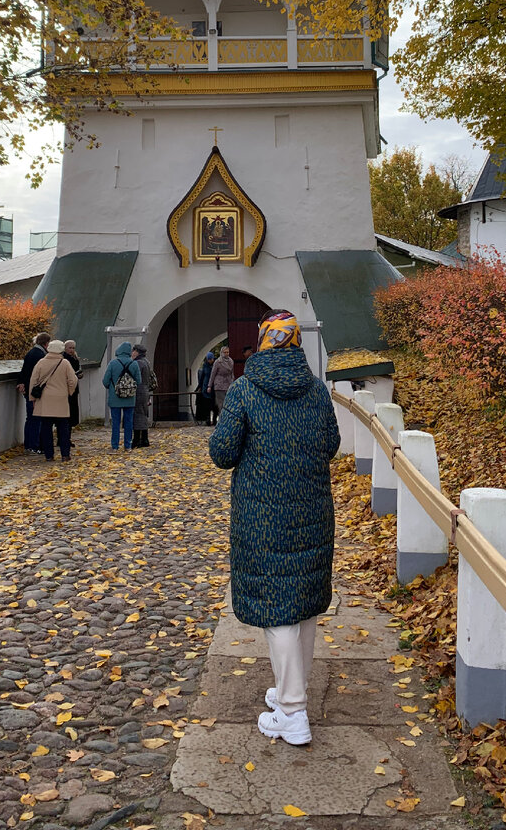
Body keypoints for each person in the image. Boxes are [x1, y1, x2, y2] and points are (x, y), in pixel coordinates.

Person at [208, 310, 340, 747]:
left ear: (264, 342)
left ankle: (292, 710)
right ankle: (290, 690)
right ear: (297, 343)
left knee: (278, 609)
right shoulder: (316, 390)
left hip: (262, 517)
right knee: (302, 604)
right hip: (311, 511)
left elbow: (223, 453)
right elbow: (331, 444)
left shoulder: (245, 390)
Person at [28, 338, 78, 462]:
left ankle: (49, 455)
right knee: (63, 428)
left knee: (46, 428)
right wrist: (68, 392)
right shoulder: (65, 363)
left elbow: (33, 381)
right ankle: (65, 454)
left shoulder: (41, 363)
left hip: (45, 400)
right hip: (61, 399)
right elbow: (73, 380)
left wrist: (33, 398)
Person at [102, 341, 142, 451]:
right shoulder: (134, 364)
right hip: (130, 398)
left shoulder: (113, 363)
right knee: (128, 422)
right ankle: (127, 445)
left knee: (115, 422)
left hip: (115, 398)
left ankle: (115, 446)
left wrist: (112, 387)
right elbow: (138, 381)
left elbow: (105, 381)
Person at [18, 332, 51, 453]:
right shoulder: (40, 355)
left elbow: (24, 370)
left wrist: (21, 382)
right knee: (35, 418)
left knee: (31, 418)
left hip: (29, 390)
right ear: (46, 343)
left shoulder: (32, 353)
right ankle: (34, 445)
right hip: (35, 392)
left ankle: (29, 444)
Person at [131, 344, 152, 448]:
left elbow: (135, 377)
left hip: (139, 391)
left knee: (138, 414)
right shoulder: (146, 362)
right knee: (143, 414)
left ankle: (137, 440)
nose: (132, 353)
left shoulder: (138, 363)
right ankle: (144, 438)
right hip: (145, 390)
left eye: (133, 351)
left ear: (137, 352)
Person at [207, 345, 235, 418]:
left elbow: (232, 373)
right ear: (221, 353)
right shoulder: (218, 362)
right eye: (225, 352)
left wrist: (232, 382)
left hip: (228, 384)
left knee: (229, 403)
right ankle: (222, 418)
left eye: (227, 352)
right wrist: (209, 386)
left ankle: (228, 418)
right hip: (219, 385)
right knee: (221, 404)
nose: (226, 354)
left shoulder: (231, 361)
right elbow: (212, 374)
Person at [63, 339, 82, 430]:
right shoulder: (65, 359)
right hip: (68, 388)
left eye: (73, 348)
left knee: (71, 412)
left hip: (73, 387)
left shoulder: (74, 358)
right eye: (70, 348)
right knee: (68, 413)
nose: (72, 350)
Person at [195, 351, 216, 425]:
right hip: (205, 387)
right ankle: (207, 419)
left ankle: (214, 420)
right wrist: (199, 387)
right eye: (209, 359)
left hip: (214, 387)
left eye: (211, 359)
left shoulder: (216, 365)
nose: (210, 361)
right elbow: (202, 377)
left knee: (214, 405)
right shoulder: (205, 366)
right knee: (207, 405)